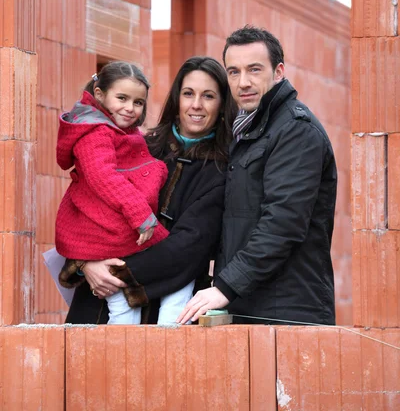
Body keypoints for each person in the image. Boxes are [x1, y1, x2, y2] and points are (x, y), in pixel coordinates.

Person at [177, 25, 337, 326]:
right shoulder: (247, 131)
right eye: (234, 72)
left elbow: (282, 224)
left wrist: (225, 286)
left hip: (287, 312)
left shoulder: (295, 130)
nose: (243, 82)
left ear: (278, 72)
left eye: (254, 70)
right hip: (249, 305)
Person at [64, 56, 232, 325]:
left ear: (222, 104)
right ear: (177, 98)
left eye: (208, 96)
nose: (196, 104)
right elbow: (85, 201)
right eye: (188, 93)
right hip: (99, 301)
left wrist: (116, 273)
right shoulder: (138, 144)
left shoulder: (224, 168)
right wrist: (85, 264)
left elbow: (190, 245)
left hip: (169, 303)